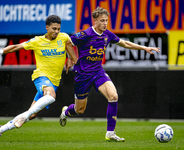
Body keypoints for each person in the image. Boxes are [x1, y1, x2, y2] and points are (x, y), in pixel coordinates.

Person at [59, 6, 160, 142]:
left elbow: (124, 44)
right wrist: (74, 59)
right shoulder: (86, 34)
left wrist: (144, 48)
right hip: (82, 75)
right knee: (79, 110)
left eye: (106, 20)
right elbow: (68, 43)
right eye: (102, 20)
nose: (105, 23)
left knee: (113, 96)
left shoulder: (107, 34)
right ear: (95, 21)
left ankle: (110, 133)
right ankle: (66, 112)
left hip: (98, 72)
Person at [0, 15, 77, 141]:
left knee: (33, 114)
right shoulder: (37, 41)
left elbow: (71, 45)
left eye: (58, 29)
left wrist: (70, 59)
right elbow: (16, 47)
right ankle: (24, 116)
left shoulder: (64, 37)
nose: (56, 31)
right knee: (50, 96)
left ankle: (0, 129)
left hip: (55, 81)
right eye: (54, 28)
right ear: (47, 27)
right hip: (41, 76)